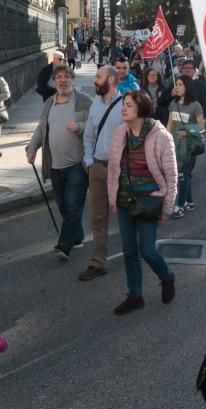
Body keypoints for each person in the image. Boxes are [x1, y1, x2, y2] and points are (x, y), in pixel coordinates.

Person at [106, 91, 177, 314]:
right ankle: (135, 295)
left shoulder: (161, 135)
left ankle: (167, 276)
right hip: (125, 199)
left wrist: (166, 208)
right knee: (129, 251)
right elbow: (113, 170)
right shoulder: (120, 133)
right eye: (124, 105)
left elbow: (172, 175)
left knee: (147, 251)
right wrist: (112, 200)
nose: (123, 108)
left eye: (128, 105)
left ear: (141, 109)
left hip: (149, 202)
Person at [26, 64, 93, 261]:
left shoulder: (84, 101)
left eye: (66, 76)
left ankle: (64, 245)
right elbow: (40, 129)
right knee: (64, 206)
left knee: (73, 205)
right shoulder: (49, 103)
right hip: (55, 165)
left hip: (77, 165)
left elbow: (95, 125)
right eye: (59, 77)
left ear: (73, 80)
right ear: (54, 82)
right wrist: (31, 149)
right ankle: (77, 236)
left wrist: (80, 126)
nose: (62, 80)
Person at [80, 65, 126, 281]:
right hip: (97, 168)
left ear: (112, 80)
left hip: (122, 170)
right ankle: (98, 262)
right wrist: (89, 161)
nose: (94, 81)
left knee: (127, 214)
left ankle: (132, 254)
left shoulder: (127, 104)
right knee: (98, 218)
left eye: (98, 77)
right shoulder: (95, 106)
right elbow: (88, 136)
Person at [167, 74, 205, 218]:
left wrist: (186, 131)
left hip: (188, 147)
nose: (177, 87)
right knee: (184, 175)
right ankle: (189, 202)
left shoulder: (195, 105)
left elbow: (202, 125)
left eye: (180, 84)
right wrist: (165, 138)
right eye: (176, 84)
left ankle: (179, 205)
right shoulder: (173, 103)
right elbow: (169, 123)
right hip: (174, 146)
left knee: (182, 175)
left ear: (187, 86)